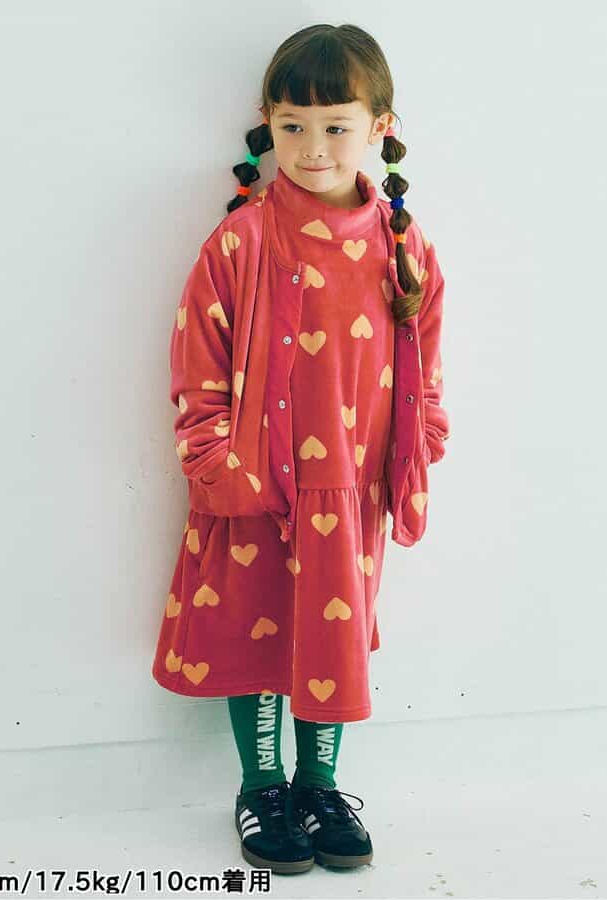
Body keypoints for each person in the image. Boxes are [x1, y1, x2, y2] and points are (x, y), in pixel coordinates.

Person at [152, 23, 450, 875]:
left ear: (379, 126)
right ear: (268, 123)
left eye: (335, 126)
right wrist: (213, 458)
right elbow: (197, 362)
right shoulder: (242, 240)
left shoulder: (403, 243)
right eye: (292, 126)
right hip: (253, 479)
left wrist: (422, 438)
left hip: (350, 486)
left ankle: (320, 786)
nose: (312, 148)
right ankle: (262, 787)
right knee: (252, 628)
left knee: (332, 632)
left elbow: (426, 358)